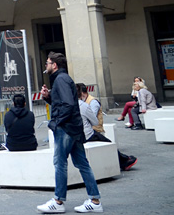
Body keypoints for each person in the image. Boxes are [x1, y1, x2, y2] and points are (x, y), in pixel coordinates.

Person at [37, 52, 102, 213]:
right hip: (73, 127)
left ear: (54, 65)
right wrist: (48, 97)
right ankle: (94, 200)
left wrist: (57, 123)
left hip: (66, 128)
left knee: (60, 163)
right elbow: (64, 103)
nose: (45, 65)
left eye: (47, 62)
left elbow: (67, 105)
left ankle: (58, 202)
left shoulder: (61, 79)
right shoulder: (63, 79)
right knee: (82, 163)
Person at [76, 83, 137, 171]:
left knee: (107, 143)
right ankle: (124, 161)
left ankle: (123, 160)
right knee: (108, 144)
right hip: (91, 131)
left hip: (91, 130)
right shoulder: (84, 104)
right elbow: (93, 119)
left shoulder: (92, 102)